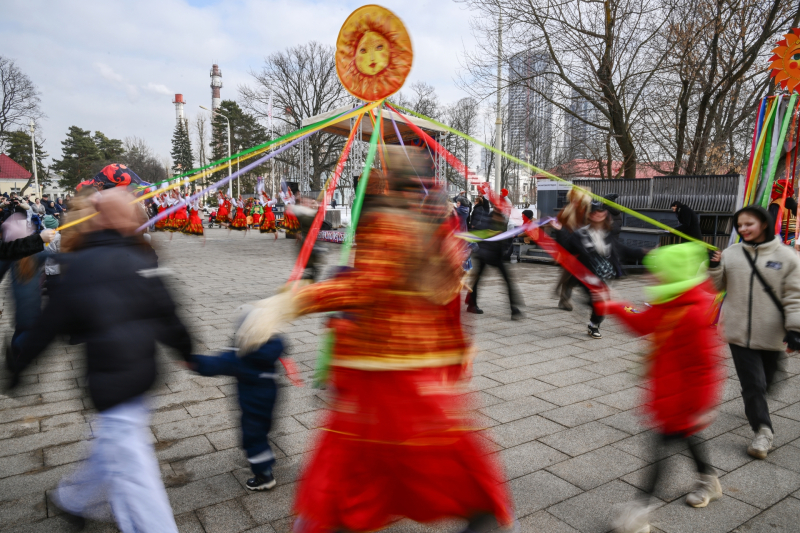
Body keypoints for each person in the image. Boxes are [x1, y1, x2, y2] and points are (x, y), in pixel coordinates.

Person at [236, 149, 513, 533]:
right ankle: (480, 514)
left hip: (383, 370)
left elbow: (366, 284)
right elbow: (442, 298)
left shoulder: (393, 222)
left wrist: (291, 304)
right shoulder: (438, 224)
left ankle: (334, 520)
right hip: (418, 368)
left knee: (358, 462)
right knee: (434, 454)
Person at [4, 188, 192, 533]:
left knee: (112, 446)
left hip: (128, 378)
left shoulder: (126, 260)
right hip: (117, 382)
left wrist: (19, 365)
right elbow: (50, 325)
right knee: (135, 474)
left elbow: (166, 313)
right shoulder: (131, 260)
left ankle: (73, 498)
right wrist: (187, 351)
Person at [603, 243, 725, 533]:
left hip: (684, 399)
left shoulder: (693, 314)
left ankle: (638, 513)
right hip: (668, 391)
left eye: (656, 275)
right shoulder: (668, 303)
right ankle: (709, 479)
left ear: (673, 277)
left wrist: (701, 406)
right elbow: (642, 321)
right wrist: (614, 304)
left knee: (660, 450)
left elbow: (705, 368)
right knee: (688, 438)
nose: (651, 279)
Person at [708, 205, 800, 459]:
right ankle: (763, 431)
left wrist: (795, 329)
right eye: (740, 225)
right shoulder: (732, 253)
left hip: (773, 335)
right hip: (738, 332)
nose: (743, 229)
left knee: (768, 380)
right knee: (753, 384)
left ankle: (757, 400)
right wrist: (713, 266)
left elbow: (795, 296)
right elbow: (714, 287)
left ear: (764, 224)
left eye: (749, 224)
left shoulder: (787, 256)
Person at [189, 332, 285, 491]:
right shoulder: (271, 347)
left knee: (252, 438)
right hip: (270, 398)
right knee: (263, 429)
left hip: (252, 403)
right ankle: (267, 456)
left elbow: (217, 364)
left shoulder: (242, 357)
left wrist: (194, 361)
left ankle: (264, 476)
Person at [566, 200, 646, 338]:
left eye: (601, 211)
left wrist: (645, 252)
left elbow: (623, 250)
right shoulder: (580, 234)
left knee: (601, 303)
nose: (598, 214)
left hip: (605, 274)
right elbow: (566, 249)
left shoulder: (607, 234)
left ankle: (593, 324)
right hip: (586, 275)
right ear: (589, 215)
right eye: (594, 212)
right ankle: (591, 311)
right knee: (598, 300)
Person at [469, 208, 523, 319]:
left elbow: (505, 240)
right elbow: (479, 237)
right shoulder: (486, 223)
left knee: (507, 281)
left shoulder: (502, 222)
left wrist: (504, 251)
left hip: (496, 256)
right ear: (494, 215)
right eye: (498, 215)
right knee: (477, 281)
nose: (500, 217)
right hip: (484, 256)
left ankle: (514, 309)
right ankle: (472, 304)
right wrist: (492, 235)